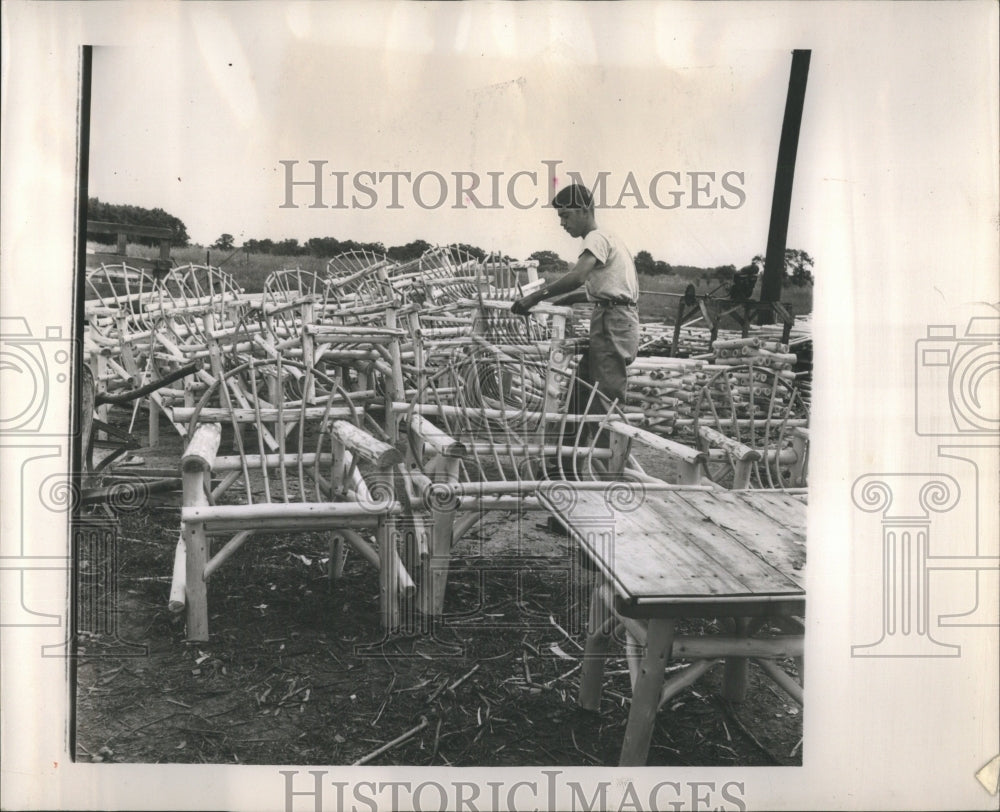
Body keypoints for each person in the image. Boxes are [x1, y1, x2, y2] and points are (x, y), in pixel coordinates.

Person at [511, 184, 640, 407]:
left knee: (604, 397)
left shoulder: (595, 238)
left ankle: (607, 441)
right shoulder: (609, 237)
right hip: (616, 318)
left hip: (612, 322)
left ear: (584, 209)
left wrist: (534, 298)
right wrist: (568, 299)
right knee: (582, 390)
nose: (562, 224)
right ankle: (574, 439)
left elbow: (577, 277)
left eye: (565, 216)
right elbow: (612, 288)